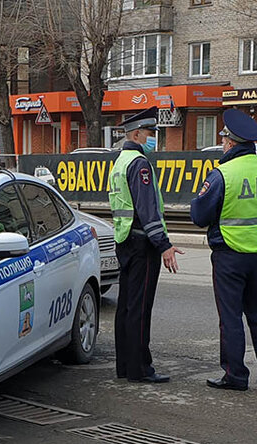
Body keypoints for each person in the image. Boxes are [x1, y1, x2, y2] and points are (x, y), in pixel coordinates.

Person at [190, 108, 257, 392]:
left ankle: (235, 375)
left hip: (230, 256)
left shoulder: (223, 174)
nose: (222, 144)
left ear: (231, 143)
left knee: (231, 317)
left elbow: (199, 217)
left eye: (224, 140)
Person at [108, 106, 184, 384]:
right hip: (142, 244)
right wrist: (164, 245)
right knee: (140, 309)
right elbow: (148, 210)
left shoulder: (120, 161)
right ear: (137, 133)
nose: (154, 137)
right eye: (151, 133)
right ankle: (140, 369)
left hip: (125, 241)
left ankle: (125, 366)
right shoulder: (140, 164)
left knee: (126, 306)